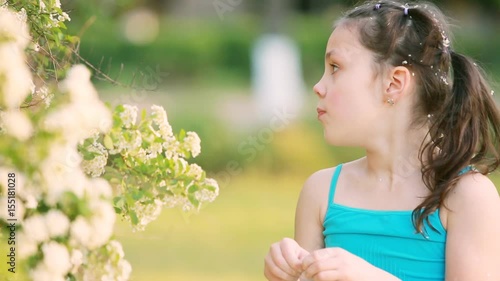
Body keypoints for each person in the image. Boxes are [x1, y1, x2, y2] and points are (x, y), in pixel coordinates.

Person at [263, 1, 500, 280]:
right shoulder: (320, 192)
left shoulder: (467, 196)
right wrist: (289, 274)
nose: (318, 86)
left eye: (335, 67)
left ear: (394, 83)